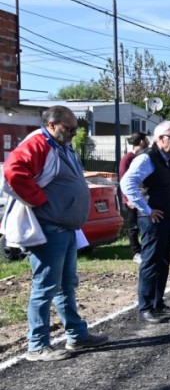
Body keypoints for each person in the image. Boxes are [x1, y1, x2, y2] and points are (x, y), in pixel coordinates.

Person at [2, 106, 109, 361]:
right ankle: (37, 345)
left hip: (66, 228)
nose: (73, 133)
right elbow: (12, 172)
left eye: (75, 129)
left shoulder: (62, 145)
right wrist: (39, 200)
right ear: (52, 124)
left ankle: (77, 335)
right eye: (69, 128)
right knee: (46, 287)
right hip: (50, 229)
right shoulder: (39, 143)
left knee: (66, 285)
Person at [120, 121, 170, 324]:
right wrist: (146, 209)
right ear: (160, 138)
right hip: (153, 219)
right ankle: (146, 307)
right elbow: (126, 183)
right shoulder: (147, 158)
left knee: (164, 261)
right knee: (151, 262)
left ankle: (158, 303)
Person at [119, 132, 149, 264]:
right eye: (147, 139)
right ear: (142, 142)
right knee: (133, 226)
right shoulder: (128, 158)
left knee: (143, 225)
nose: (148, 142)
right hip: (131, 200)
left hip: (141, 197)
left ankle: (145, 250)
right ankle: (136, 252)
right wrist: (127, 199)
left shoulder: (142, 157)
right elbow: (123, 179)